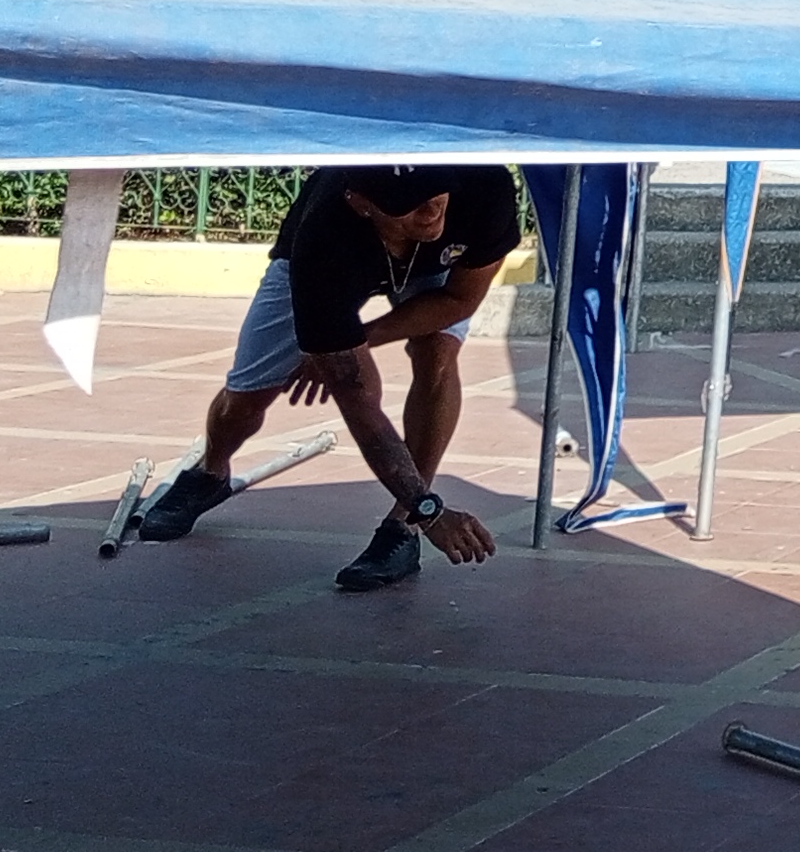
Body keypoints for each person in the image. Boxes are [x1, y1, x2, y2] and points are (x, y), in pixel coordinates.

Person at [133, 165, 516, 590]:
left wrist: (354, 339)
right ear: (362, 202)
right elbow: (357, 403)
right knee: (245, 397)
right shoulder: (323, 238)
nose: (429, 209)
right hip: (333, 262)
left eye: (436, 191)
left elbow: (459, 299)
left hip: (432, 274)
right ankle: (211, 471)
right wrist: (331, 344)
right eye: (406, 202)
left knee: (438, 353)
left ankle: (403, 525)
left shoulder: (483, 182)